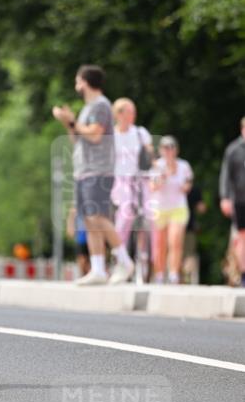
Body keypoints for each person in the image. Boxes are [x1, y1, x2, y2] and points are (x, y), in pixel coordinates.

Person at [53, 65, 134, 285]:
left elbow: (95, 135)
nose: (76, 85)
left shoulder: (100, 105)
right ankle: (98, 268)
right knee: (89, 221)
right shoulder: (87, 108)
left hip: (98, 169)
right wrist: (68, 122)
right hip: (84, 169)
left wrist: (72, 122)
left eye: (78, 81)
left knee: (99, 218)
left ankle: (124, 260)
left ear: (86, 82)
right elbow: (77, 138)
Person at [111, 98, 154, 277]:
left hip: (140, 179)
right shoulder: (111, 135)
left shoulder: (140, 133)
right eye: (129, 111)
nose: (133, 115)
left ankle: (144, 258)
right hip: (121, 180)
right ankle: (119, 253)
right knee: (126, 213)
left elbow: (150, 155)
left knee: (148, 216)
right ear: (119, 114)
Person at [150, 135, 193, 284]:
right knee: (160, 244)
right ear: (161, 150)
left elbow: (188, 185)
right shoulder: (157, 166)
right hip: (160, 208)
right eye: (165, 148)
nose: (169, 151)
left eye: (171, 147)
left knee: (175, 241)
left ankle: (174, 273)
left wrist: (184, 187)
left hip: (178, 207)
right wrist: (163, 177)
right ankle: (160, 274)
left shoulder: (184, 166)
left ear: (176, 150)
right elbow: (152, 187)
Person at [219, 116, 245, 287]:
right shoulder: (234, 149)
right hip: (240, 200)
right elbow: (225, 176)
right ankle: (242, 273)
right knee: (242, 236)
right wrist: (225, 198)